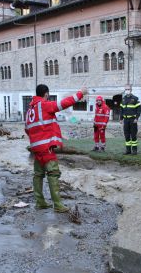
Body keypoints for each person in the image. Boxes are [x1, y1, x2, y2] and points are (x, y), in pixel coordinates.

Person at [25, 84, 88, 212]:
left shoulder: (29, 110)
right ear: (46, 94)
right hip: (46, 148)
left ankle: (40, 202)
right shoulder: (45, 105)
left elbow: (27, 129)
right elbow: (64, 103)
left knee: (38, 175)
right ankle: (58, 205)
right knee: (53, 174)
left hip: (36, 148)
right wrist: (80, 93)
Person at [119, 84, 141, 155]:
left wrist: (136, 118)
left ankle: (134, 151)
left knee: (133, 135)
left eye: (128, 89)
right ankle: (128, 150)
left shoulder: (135, 98)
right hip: (126, 120)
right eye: (126, 89)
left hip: (133, 120)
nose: (127, 90)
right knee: (127, 135)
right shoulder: (123, 99)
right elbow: (121, 110)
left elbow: (138, 110)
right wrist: (121, 119)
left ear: (131, 90)